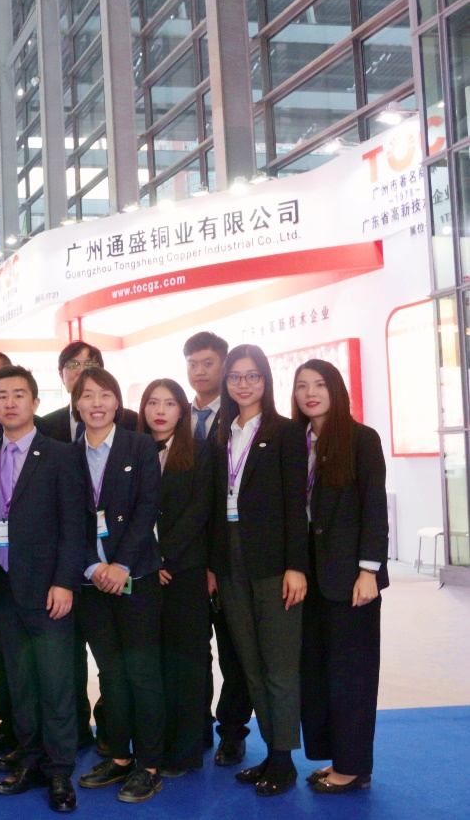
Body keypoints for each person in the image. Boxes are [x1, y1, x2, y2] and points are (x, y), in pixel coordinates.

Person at [0, 365, 84, 813]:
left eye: (19, 394)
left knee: (56, 683)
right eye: (1, 395)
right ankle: (30, 760)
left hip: (48, 590)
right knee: (20, 683)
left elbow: (75, 525)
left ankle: (59, 772)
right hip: (3, 588)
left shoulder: (61, 455)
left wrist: (64, 582)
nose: (9, 402)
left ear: (35, 403)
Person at [211, 345, 308, 797]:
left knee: (279, 666)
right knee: (250, 664)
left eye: (252, 376)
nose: (244, 384)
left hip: (273, 563)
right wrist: (213, 566)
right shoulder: (221, 433)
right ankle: (271, 752)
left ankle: (285, 760)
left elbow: (296, 506)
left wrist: (296, 566)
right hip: (229, 562)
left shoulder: (285, 432)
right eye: (235, 376)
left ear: (266, 380)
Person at [292, 360, 388, 795]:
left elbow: (374, 508)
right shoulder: (297, 442)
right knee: (318, 673)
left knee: (353, 675)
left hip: (351, 578)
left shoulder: (361, 439)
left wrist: (369, 570)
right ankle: (338, 759)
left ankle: (352, 768)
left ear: (336, 389)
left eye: (319, 384)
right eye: (302, 386)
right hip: (309, 576)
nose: (310, 393)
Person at [72, 367, 166, 803]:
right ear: (76, 403)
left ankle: (150, 765)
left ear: (116, 402)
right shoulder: (65, 454)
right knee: (110, 674)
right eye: (87, 395)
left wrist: (122, 565)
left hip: (136, 578)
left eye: (104, 394)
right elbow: (64, 519)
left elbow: (148, 507)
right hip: (91, 582)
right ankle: (120, 756)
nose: (96, 403)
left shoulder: (139, 445)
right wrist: (93, 567)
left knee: (142, 673)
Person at [37, 340, 134, 755]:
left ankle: (114, 733)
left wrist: (121, 562)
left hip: (120, 567)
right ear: (63, 376)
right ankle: (74, 731)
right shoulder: (47, 427)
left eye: (91, 365)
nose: (82, 371)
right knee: (69, 655)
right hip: (66, 567)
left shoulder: (130, 425)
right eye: (74, 365)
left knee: (118, 660)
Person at [183, 331, 253, 766]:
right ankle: (195, 727)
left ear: (224, 366)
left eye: (208, 363)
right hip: (182, 558)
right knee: (191, 650)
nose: (200, 371)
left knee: (234, 650)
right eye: (192, 363)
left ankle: (232, 731)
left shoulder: (241, 418)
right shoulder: (174, 414)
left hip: (228, 556)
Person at [137, 379, 213, 777]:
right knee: (155, 663)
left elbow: (200, 510)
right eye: (153, 403)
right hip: (144, 572)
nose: (160, 411)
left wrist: (164, 556)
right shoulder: (132, 450)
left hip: (185, 571)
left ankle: (186, 750)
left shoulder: (200, 450)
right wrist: (148, 559)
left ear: (183, 410)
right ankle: (157, 742)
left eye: (169, 403)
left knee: (187, 661)